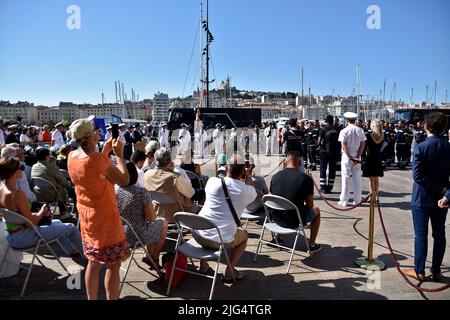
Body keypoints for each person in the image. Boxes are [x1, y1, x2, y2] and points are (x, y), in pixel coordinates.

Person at [68, 117, 131, 300]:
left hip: (87, 218)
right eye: (96, 130)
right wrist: (119, 155)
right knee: (113, 265)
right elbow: (125, 180)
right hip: (105, 218)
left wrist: (104, 151)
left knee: (93, 263)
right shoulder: (98, 160)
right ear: (90, 136)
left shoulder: (72, 156)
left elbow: (92, 172)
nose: (99, 132)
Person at [0, 157, 83, 257]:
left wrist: (37, 214)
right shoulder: (17, 194)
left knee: (58, 222)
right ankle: (90, 258)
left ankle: (72, 251)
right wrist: (42, 211)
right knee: (71, 228)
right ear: (13, 171)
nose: (23, 168)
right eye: (21, 167)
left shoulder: (2, 189)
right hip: (25, 236)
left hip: (12, 236)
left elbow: (18, 216)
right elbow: (32, 223)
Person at [402, 112, 450, 283]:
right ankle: (436, 270)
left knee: (421, 235)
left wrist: (442, 191)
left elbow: (418, 176)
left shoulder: (421, 147)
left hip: (422, 198)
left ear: (426, 126)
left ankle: (419, 270)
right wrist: (446, 193)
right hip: (442, 200)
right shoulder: (448, 147)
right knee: (440, 235)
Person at [193, 155, 256, 282]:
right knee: (244, 236)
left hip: (198, 234)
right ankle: (229, 271)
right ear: (243, 171)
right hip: (220, 240)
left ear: (226, 168)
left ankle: (203, 265)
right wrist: (248, 176)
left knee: (207, 219)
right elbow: (251, 192)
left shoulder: (212, 182)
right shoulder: (248, 191)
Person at [116, 162, 168, 270]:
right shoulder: (141, 193)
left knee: (151, 225)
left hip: (122, 236)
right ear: (135, 175)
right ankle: (154, 257)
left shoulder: (115, 193)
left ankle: (149, 255)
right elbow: (151, 218)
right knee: (163, 222)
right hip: (138, 236)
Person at [269, 151, 322, 253]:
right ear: (300, 163)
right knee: (317, 211)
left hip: (276, 219)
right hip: (295, 221)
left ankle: (278, 238)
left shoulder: (275, 176)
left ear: (285, 162)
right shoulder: (306, 179)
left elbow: (270, 198)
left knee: (281, 203)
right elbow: (310, 206)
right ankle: (311, 245)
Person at [144, 148, 199, 223]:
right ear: (170, 161)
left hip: (157, 213)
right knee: (202, 209)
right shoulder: (174, 177)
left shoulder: (147, 174)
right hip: (178, 213)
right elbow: (191, 193)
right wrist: (172, 172)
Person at [31, 148, 71, 217]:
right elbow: (63, 182)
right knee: (65, 188)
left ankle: (62, 210)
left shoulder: (34, 166)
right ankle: (64, 212)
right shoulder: (51, 167)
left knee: (57, 187)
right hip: (51, 194)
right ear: (47, 156)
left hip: (38, 193)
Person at [338, 112, 367, 207]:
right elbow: (362, 145)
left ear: (347, 120)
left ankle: (344, 200)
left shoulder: (344, 131)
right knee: (357, 179)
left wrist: (350, 157)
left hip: (347, 157)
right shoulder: (360, 130)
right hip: (357, 156)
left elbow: (344, 145)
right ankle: (357, 200)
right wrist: (357, 157)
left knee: (345, 178)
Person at [318, 115, 340, 193]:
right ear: (332, 121)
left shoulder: (322, 129)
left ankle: (323, 187)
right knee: (332, 169)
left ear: (326, 121)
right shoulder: (337, 129)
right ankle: (330, 187)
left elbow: (319, 141)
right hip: (334, 152)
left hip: (324, 152)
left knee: (323, 169)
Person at [362, 120, 384, 194]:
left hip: (370, 158)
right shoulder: (382, 136)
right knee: (376, 179)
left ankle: (372, 197)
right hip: (378, 158)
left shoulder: (368, 136)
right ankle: (375, 195)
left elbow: (364, 147)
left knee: (371, 179)